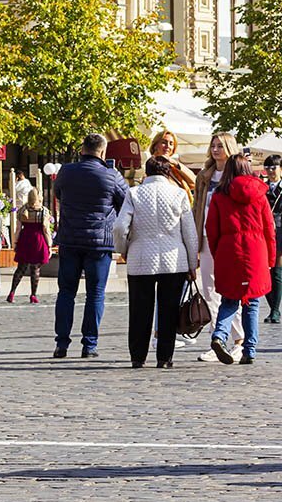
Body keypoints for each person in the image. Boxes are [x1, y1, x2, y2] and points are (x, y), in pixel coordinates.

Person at [51, 134, 128, 359]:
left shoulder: (66, 171)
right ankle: (89, 345)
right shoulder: (111, 176)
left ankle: (62, 344)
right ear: (103, 152)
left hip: (70, 239)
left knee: (66, 292)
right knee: (95, 294)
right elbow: (126, 203)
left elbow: (58, 194)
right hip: (98, 243)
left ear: (82, 149)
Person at [118, 156, 199, 369]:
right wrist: (192, 263)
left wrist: (124, 249)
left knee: (139, 310)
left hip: (141, 258)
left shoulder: (134, 193)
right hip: (174, 260)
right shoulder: (179, 194)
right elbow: (189, 233)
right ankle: (164, 357)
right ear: (168, 172)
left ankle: (138, 356)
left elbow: (119, 227)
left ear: (147, 171)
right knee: (169, 310)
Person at [206, 154, 276, 364]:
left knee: (229, 299)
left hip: (229, 250)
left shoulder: (219, 195)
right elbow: (269, 229)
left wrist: (217, 252)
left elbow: (212, 229)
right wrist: (271, 259)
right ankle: (250, 350)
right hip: (256, 250)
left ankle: (219, 335)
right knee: (252, 302)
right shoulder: (260, 194)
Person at [192, 133, 243, 361]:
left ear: (229, 148)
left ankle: (239, 339)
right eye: (213, 145)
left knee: (231, 288)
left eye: (220, 146)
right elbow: (196, 208)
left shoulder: (238, 175)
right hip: (206, 237)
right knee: (209, 290)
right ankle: (217, 340)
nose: (215, 149)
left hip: (228, 239)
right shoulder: (205, 176)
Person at [7, 189, 52, 304]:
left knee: (21, 267)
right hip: (38, 239)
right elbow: (46, 230)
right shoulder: (43, 211)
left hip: (25, 238)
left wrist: (15, 242)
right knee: (35, 268)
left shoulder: (23, 210)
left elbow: (18, 229)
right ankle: (33, 294)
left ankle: (12, 292)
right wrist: (49, 245)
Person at [148, 129, 196, 202]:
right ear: (155, 146)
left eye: (171, 144)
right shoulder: (150, 165)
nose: (168, 146)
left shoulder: (174, 167)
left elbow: (194, 182)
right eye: (164, 142)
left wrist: (176, 164)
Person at [264, 154, 282, 324]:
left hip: (280, 231)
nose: (270, 171)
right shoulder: (262, 188)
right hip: (264, 232)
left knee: (276, 270)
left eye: (273, 167)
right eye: (267, 167)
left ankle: (275, 310)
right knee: (265, 272)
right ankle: (273, 307)